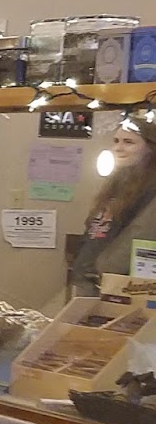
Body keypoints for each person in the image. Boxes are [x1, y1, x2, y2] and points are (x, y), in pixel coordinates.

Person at [71, 118, 156, 295]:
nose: (118, 148)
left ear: (150, 148)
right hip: (90, 279)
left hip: (119, 285)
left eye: (129, 142)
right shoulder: (117, 184)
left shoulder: (150, 188)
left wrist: (103, 272)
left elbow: (140, 235)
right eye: (116, 141)